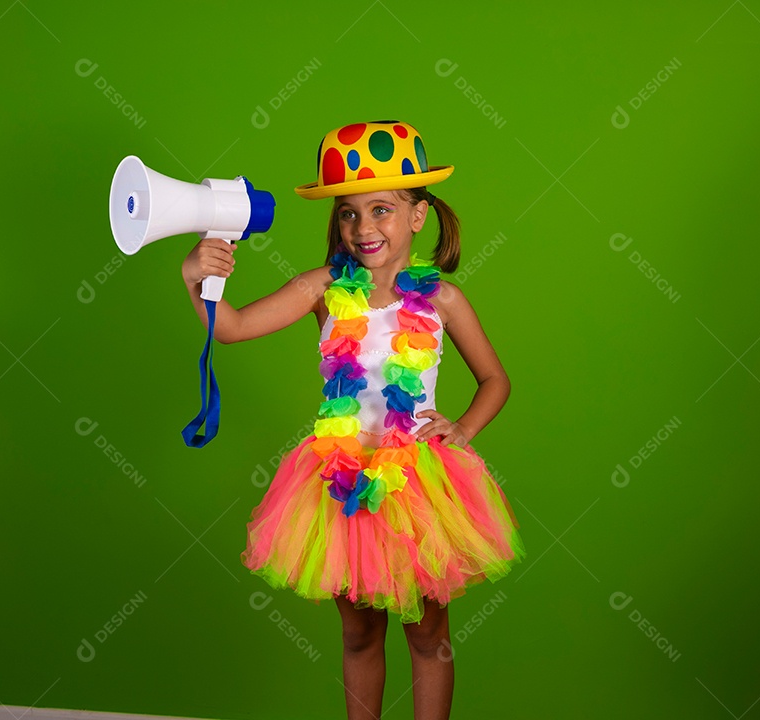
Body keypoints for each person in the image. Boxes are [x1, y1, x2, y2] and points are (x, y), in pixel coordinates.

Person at [181, 120, 524, 720]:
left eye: (382, 210)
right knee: (359, 635)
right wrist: (198, 279)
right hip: (339, 481)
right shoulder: (320, 289)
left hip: (420, 483)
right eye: (348, 214)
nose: (364, 228)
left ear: (418, 217)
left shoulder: (442, 299)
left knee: (427, 634)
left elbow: (496, 380)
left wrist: (463, 430)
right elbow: (231, 328)